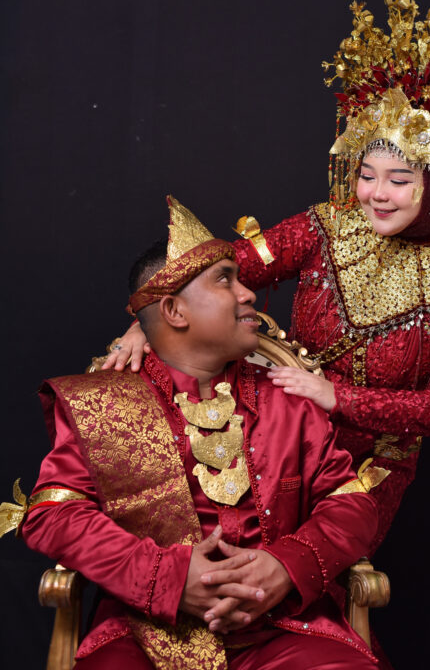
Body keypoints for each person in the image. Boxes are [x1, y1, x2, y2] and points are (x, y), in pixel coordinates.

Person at [105, 0, 430, 556]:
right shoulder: (325, 225)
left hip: (368, 466)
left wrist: (335, 396)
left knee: (294, 565)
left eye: (399, 181)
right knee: (207, 538)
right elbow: (214, 271)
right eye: (365, 175)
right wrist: (148, 320)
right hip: (273, 431)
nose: (375, 194)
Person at [4, 196, 382, 670]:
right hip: (145, 632)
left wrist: (287, 565)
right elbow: (53, 514)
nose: (248, 294)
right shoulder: (104, 405)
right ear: (174, 311)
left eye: (242, 279)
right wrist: (168, 578)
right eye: (225, 280)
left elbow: (352, 505)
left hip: (284, 628)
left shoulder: (291, 401)